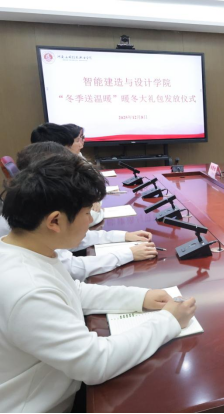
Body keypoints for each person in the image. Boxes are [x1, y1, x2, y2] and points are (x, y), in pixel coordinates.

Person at [0, 154, 197, 413]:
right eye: (86, 213)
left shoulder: (26, 250)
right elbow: (96, 364)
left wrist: (140, 298)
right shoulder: (29, 289)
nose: (91, 219)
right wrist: (169, 321)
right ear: (55, 221)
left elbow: (72, 291)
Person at [0, 143, 159, 282]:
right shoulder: (29, 279)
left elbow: (76, 236)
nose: (89, 220)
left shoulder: (36, 215)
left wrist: (123, 236)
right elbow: (73, 268)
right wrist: (127, 254)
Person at [30, 123, 104, 226]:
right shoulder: (54, 178)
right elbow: (81, 221)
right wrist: (98, 210)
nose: (68, 152)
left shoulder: (34, 169)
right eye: (67, 146)